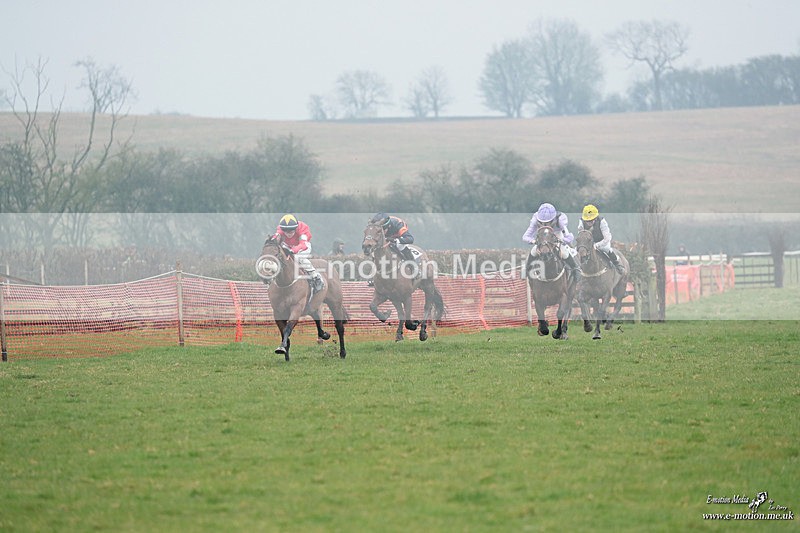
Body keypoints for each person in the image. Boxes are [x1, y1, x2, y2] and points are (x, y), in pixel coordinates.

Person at [523, 202, 582, 279]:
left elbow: (569, 237)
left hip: (557, 235)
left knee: (564, 252)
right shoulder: (535, 219)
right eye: (542, 222)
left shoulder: (560, 219)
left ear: (553, 219)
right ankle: (527, 270)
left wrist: (559, 240)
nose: (545, 224)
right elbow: (525, 236)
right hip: (542, 238)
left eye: (547, 222)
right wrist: (534, 241)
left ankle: (575, 269)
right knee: (534, 251)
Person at [274, 214, 324, 292]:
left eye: (291, 230)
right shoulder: (280, 230)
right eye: (286, 231)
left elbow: (303, 244)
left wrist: (293, 251)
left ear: (296, 228)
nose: (288, 233)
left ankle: (316, 276)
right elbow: (275, 238)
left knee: (298, 258)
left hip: (303, 246)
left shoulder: (302, 228)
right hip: (289, 246)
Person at [578, 204, 626, 275]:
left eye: (591, 220)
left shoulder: (602, 222)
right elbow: (581, 235)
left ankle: (617, 264)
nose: (589, 223)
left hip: (602, 242)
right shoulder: (581, 222)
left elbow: (607, 238)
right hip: (588, 243)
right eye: (587, 221)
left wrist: (596, 245)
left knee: (607, 249)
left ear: (595, 218)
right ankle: (576, 269)